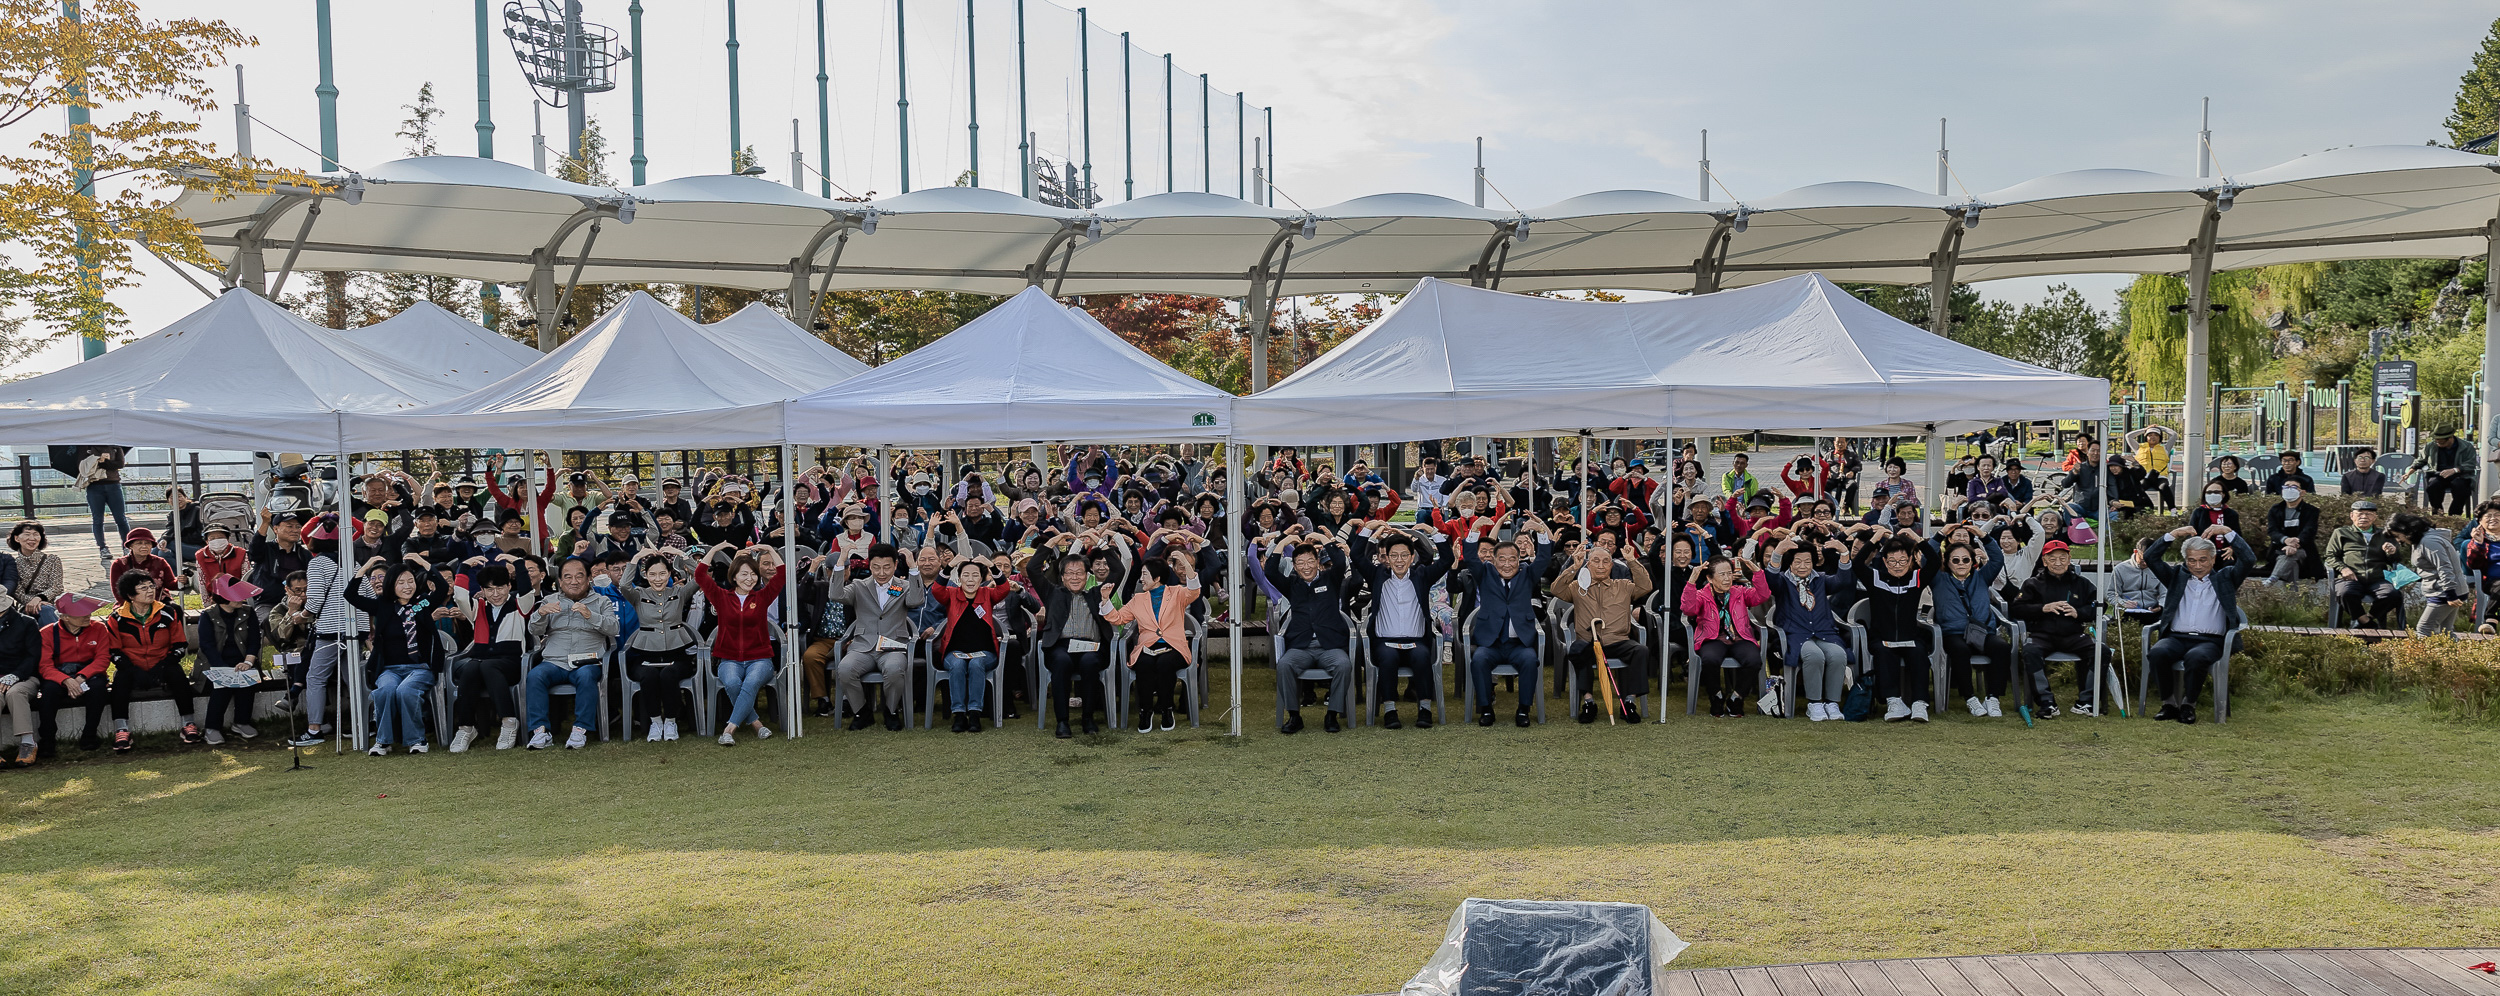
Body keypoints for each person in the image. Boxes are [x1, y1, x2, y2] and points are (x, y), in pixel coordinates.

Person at [2141, 526, 2257, 723]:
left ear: (2213, 559)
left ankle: (2188, 705)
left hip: (2209, 641)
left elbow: (2249, 559)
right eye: (2191, 560)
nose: (2197, 565)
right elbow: (2151, 558)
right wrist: (2173, 535)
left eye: (2203, 559)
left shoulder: (2226, 578)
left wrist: (2227, 532)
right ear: (2186, 560)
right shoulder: (2176, 576)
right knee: (2158, 652)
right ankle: (2169, 704)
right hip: (2176, 637)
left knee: (2196, 658)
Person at [344, 560, 454, 755]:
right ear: (391, 585)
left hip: (420, 668)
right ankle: (383, 742)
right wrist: (366, 567)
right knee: (385, 690)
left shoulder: (421, 604)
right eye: (400, 582)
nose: (407, 586)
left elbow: (443, 587)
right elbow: (350, 595)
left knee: (406, 691)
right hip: (390, 669)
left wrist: (421, 562)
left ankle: (416, 740)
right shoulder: (383, 606)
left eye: (410, 581)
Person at [1348, 522, 1451, 730]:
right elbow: (1357, 555)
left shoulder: (1422, 575)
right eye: (1394, 555)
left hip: (1416, 641)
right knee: (1387, 659)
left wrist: (1432, 532)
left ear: (1412, 557)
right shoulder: (1378, 575)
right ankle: (1390, 710)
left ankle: (1424, 709)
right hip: (1385, 642)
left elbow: (1448, 559)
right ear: (1386, 558)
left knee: (1422, 657)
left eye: (1404, 555)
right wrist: (1368, 529)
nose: (1399, 560)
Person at [1458, 513, 1554, 727]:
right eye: (1502, 559)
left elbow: (1544, 558)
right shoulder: (1485, 573)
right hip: (1490, 643)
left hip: (1519, 643)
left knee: (1530, 661)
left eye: (1513, 559)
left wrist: (1540, 531)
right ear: (1493, 559)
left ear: (1519, 560)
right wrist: (1474, 530)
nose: (1508, 564)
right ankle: (1486, 709)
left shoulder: (1527, 574)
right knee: (1479, 660)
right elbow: (1471, 557)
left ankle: (1523, 710)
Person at [1261, 531, 1355, 734]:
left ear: (1318, 562)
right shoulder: (1292, 585)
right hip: (1301, 646)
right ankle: (1294, 716)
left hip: (1329, 645)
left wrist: (1322, 538)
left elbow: (1340, 562)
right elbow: (1270, 571)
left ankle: (1332, 715)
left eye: (1310, 561)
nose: (1306, 567)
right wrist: (1284, 541)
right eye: (1301, 563)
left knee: (1343, 665)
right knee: (1285, 665)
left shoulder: (1330, 579)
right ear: (1294, 567)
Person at [289, 513, 370, 749]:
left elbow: (314, 601)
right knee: (352, 679)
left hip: (331, 630)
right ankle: (363, 723)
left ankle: (314, 729)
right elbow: (369, 596)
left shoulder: (317, 563)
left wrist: (300, 616)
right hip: (357, 628)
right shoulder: (352, 563)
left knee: (315, 678)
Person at [1553, 538, 1654, 724]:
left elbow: (1645, 587)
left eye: (1605, 561)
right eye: (1595, 561)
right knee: (1578, 649)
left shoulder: (1623, 585)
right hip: (1589, 641)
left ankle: (1629, 702)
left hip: (1618, 641)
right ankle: (1589, 701)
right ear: (1588, 564)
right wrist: (1574, 567)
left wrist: (1632, 561)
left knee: (1641, 650)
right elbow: (1556, 589)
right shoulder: (1578, 587)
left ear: (1612, 565)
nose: (1601, 565)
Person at [523, 557, 619, 749]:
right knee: (535, 676)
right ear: (560, 581)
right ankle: (540, 731)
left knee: (585, 676)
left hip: (587, 660)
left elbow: (614, 628)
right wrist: (541, 614)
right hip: (554, 661)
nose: (574, 581)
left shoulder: (601, 601)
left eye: (579, 576)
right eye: (568, 577)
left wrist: (590, 615)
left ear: (589, 579)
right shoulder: (550, 600)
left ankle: (579, 730)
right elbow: (534, 630)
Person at [693, 544, 785, 745]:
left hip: (760, 659)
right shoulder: (721, 597)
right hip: (729, 659)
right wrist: (716, 549)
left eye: (753, 574)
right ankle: (758, 725)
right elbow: (700, 574)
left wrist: (770, 548)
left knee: (751, 683)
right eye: (744, 574)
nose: (749, 579)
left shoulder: (762, 597)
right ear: (733, 576)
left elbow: (782, 574)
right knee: (733, 683)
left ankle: (729, 730)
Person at [1100, 554, 1201, 733]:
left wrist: (1185, 564)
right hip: (1147, 646)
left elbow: (1194, 590)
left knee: (1165, 663)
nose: (1141, 579)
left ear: (1157, 578)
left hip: (1174, 646)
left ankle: (1166, 709)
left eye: (1145, 575)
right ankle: (1145, 711)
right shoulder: (1138, 599)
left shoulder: (1177, 593)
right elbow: (1119, 618)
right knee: (1144, 664)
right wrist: (1106, 600)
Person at [835, 544, 926, 731]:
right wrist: (841, 560)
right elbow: (836, 594)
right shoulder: (859, 586)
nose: (881, 572)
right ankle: (861, 712)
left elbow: (917, 601)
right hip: (863, 646)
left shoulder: (904, 586)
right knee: (844, 669)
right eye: (876, 567)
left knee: (894, 669)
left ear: (894, 565)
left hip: (893, 645)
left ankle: (891, 711)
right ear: (870, 566)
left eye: (886, 567)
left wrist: (913, 568)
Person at [1027, 537, 1112, 738]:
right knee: (1061, 661)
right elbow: (1032, 568)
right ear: (1062, 577)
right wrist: (1052, 542)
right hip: (1060, 646)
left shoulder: (1096, 593)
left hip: (1090, 647)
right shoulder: (1052, 592)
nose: (1075, 578)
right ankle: (1062, 721)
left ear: (1087, 575)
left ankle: (1087, 718)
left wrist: (1103, 543)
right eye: (1070, 573)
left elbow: (1118, 571)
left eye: (1079, 573)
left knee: (1090, 662)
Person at [2011, 540, 2106, 717]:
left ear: (2069, 559)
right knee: (2030, 651)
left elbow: (2100, 606)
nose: (2058, 563)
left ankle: (2086, 701)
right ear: (2044, 561)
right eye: (2052, 559)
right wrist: (2042, 608)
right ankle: (2047, 703)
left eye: (2062, 558)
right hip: (2042, 635)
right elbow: (2016, 608)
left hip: (2073, 635)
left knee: (2101, 651)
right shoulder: (2032, 583)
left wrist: (2079, 612)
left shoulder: (2082, 583)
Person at [105, 568, 196, 751]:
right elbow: (114, 651)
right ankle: (121, 730)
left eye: (151, 586)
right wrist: (133, 670)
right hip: (131, 666)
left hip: (163, 663)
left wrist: (162, 666)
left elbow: (179, 645)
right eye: (143, 588)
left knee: (178, 676)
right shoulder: (116, 618)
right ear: (130, 595)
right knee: (120, 681)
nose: (150, 591)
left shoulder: (168, 612)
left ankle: (189, 724)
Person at [924, 551, 1015, 733]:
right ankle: (958, 714)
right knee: (957, 665)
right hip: (954, 652)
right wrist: (950, 566)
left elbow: (1004, 589)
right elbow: (936, 590)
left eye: (975, 575)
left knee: (976, 664)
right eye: (966, 575)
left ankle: (974, 713)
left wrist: (991, 566)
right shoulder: (951, 593)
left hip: (985, 652)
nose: (971, 579)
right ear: (959, 578)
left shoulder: (987, 594)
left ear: (981, 578)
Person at [1853, 531, 1939, 722]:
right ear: (1884, 561)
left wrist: (1918, 539)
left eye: (1902, 561)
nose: (1897, 566)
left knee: (1919, 653)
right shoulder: (1876, 579)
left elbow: (1934, 562)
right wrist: (1874, 540)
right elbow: (1857, 564)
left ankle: (1919, 703)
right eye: (1892, 561)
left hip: (1910, 635)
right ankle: (1894, 702)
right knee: (1884, 653)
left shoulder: (1916, 578)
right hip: (1882, 636)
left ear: (1909, 560)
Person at [1763, 534, 1851, 721]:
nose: (1802, 566)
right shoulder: (1783, 581)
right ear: (1790, 563)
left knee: (1838, 654)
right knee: (1814, 655)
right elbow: (1770, 579)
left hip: (1824, 632)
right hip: (1795, 634)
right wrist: (1778, 552)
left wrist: (1843, 552)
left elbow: (1842, 581)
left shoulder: (1820, 579)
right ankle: (1814, 703)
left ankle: (1832, 703)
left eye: (1807, 561)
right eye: (1798, 562)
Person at [448, 562, 531, 752]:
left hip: (511, 663)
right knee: (471, 667)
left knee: (485, 666)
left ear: (509, 586)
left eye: (500, 588)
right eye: (490, 589)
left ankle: (509, 722)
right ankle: (466, 728)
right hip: (482, 663)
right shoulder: (478, 607)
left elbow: (527, 592)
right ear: (483, 590)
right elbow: (460, 596)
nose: (495, 594)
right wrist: (463, 567)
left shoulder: (520, 605)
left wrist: (517, 563)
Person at [621, 550, 699, 742]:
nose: (658, 579)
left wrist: (682, 554)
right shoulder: (638, 594)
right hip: (646, 652)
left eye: (662, 573)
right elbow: (623, 584)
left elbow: (700, 577)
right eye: (652, 574)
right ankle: (656, 722)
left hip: (677, 651)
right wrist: (636, 558)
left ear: (669, 574)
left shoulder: (679, 592)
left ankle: (671, 721)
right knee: (648, 676)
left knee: (668, 674)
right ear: (645, 575)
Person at [1934, 524, 2011, 718]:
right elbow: (1927, 558)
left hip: (1982, 631)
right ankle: (1970, 698)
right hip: (1954, 632)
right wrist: (1941, 534)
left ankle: (1993, 698)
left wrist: (1983, 536)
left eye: (1965, 559)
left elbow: (1997, 559)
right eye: (1956, 560)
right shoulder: (1938, 579)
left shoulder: (1982, 577)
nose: (1961, 563)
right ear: (1947, 561)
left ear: (1973, 561)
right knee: (1960, 650)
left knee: (2001, 647)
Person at [192, 578, 268, 746]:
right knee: (222, 686)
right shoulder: (208, 615)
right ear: (224, 597)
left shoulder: (249, 612)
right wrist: (223, 669)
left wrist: (248, 663)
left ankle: (242, 722)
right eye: (237, 595)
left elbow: (255, 641)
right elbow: (207, 645)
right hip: (215, 663)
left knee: (247, 684)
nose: (242, 598)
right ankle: (212, 727)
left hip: (243, 661)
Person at [36, 593, 111, 757]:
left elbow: (103, 659)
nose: (87, 616)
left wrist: (81, 677)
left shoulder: (99, 628)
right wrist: (66, 681)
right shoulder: (47, 633)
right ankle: (47, 740)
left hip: (89, 675)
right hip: (59, 676)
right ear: (65, 617)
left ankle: (89, 736)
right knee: (48, 693)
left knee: (98, 689)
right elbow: (44, 666)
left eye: (88, 613)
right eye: (81, 614)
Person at [2324, 500, 2407, 629]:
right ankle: (2367, 623)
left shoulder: (2385, 535)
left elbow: (2396, 559)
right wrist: (2343, 568)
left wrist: (2392, 552)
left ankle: (2365, 619)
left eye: (2368, 514)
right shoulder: (2341, 533)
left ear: (2375, 517)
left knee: (2392, 594)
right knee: (2344, 593)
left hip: (2377, 578)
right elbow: (2330, 556)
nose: (2364, 517)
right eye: (2360, 513)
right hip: (2351, 577)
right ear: (2352, 516)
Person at [2393, 513, 2469, 639]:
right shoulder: (2423, 540)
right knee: (2446, 632)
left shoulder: (2428, 542)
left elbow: (2444, 567)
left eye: (2397, 535)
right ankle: (2457, 657)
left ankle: (2425, 658)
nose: (2398, 540)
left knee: (2424, 629)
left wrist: (2450, 594)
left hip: (2446, 592)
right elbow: (2431, 566)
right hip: (2448, 590)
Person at [0, 594, 41, 766]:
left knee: (16, 693)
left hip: (25, 677)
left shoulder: (27, 623)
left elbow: (33, 657)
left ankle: (28, 743)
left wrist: (15, 675)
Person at [76, 445, 129, 562]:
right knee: (97, 519)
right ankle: (103, 548)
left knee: (121, 518)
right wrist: (100, 460)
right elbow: (82, 465)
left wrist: (101, 462)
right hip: (94, 486)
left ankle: (127, 546)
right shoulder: (86, 446)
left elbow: (120, 464)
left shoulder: (115, 445)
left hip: (114, 484)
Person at [2263, 483, 2323, 585]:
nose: (2289, 489)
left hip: (2304, 550)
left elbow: (2309, 531)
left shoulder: (2311, 511)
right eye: (2286, 486)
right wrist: (2286, 540)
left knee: (2292, 553)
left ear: (2302, 492)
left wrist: (2295, 543)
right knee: (2290, 556)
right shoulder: (2275, 509)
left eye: (2294, 487)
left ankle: (2272, 579)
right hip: (2278, 549)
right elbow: (2272, 530)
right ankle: (2292, 594)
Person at [8, 521, 63, 627]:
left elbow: (57, 587)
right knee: (45, 610)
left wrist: (39, 599)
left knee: (47, 610)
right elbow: (18, 594)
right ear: (16, 538)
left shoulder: (53, 560)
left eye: (36, 534)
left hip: (53, 604)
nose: (32, 538)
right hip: (26, 607)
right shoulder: (12, 564)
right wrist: (34, 602)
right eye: (27, 534)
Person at [2113, 537, 2168, 626]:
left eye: (2150, 559)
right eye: (2143, 559)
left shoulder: (2160, 569)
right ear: (2135, 552)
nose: (2146, 563)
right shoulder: (2119, 569)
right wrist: (2123, 603)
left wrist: (2161, 606)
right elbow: (2112, 594)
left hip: (2153, 611)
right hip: (2128, 612)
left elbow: (2165, 592)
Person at [2419, 428, 2474, 515]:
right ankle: (2437, 512)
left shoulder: (2466, 446)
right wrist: (2410, 471)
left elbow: (2471, 463)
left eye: (2441, 442)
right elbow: (2421, 460)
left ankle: (2455, 515)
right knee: (2433, 485)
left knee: (2461, 487)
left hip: (2461, 476)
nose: (2438, 444)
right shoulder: (2431, 446)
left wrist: (2455, 470)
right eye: (2437, 441)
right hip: (2438, 475)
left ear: (2450, 438)